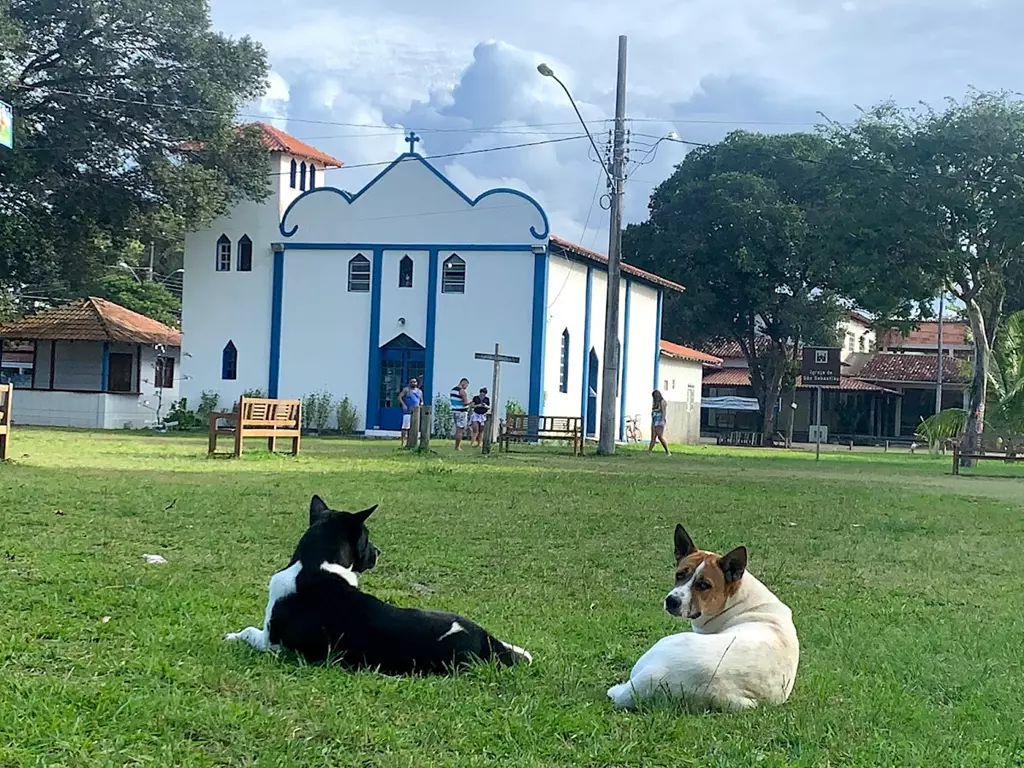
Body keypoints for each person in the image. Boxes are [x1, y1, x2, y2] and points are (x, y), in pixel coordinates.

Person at [398, 377, 423, 445]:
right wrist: (403, 405)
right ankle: (403, 442)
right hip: (407, 412)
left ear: (417, 383)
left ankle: (413, 441)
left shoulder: (420, 392)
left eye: (414, 382)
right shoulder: (406, 390)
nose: (413, 383)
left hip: (416, 412)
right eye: (411, 382)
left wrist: (421, 405)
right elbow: (400, 397)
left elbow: (421, 401)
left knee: (414, 427)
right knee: (405, 427)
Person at [449, 378, 471, 450]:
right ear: (463, 383)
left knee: (458, 428)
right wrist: (471, 401)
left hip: (454, 411)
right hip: (461, 412)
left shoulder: (453, 390)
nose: (466, 388)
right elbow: (465, 403)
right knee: (460, 430)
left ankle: (457, 445)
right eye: (466, 386)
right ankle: (457, 446)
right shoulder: (462, 391)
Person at [649, 389, 670, 455]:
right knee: (653, 437)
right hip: (654, 420)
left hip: (659, 421)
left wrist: (662, 420)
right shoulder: (655, 402)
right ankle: (649, 451)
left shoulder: (662, 402)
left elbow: (664, 412)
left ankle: (667, 451)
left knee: (660, 437)